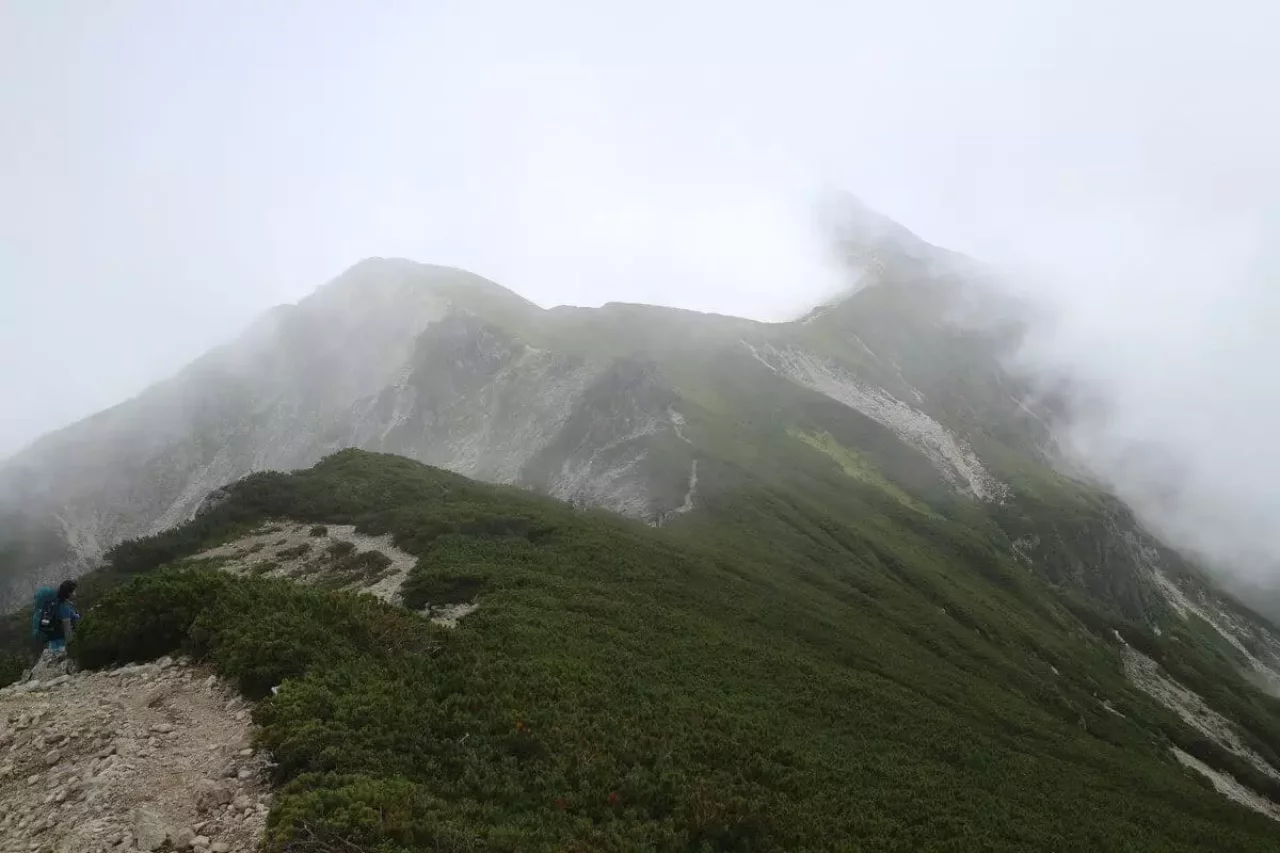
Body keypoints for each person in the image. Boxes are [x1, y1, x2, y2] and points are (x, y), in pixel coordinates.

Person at [32, 579, 81, 654]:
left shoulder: (57, 603)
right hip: (60, 645)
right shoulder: (64, 608)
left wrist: (76, 616)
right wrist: (72, 649)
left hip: (52, 643)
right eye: (74, 591)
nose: (75, 593)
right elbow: (67, 631)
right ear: (68, 593)